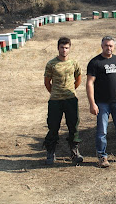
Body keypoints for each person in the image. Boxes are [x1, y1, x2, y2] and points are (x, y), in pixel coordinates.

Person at [86, 36, 116, 168]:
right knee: (102, 131)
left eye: (111, 46)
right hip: (102, 103)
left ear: (114, 47)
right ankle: (102, 156)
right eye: (106, 45)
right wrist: (92, 103)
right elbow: (90, 83)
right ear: (102, 46)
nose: (108, 48)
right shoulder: (95, 62)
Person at [43, 37, 83, 165]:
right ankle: (50, 152)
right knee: (53, 126)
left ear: (69, 48)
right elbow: (47, 82)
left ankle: (74, 152)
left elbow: (78, 79)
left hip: (71, 99)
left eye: (66, 48)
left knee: (73, 126)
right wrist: (56, 92)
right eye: (62, 47)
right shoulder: (51, 64)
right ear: (58, 48)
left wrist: (70, 90)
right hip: (55, 100)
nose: (64, 50)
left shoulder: (74, 63)